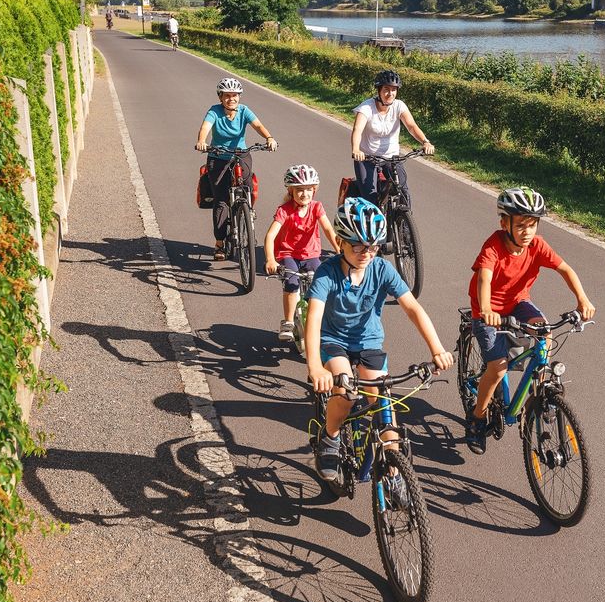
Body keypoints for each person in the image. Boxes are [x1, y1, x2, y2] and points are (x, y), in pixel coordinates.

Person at [306, 197, 453, 488]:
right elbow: (313, 319)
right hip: (334, 340)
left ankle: (395, 475)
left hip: (369, 342)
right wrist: (315, 367)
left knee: (385, 405)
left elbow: (412, 308)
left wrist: (436, 348)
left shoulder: (382, 269)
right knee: (346, 388)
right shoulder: (327, 272)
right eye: (358, 245)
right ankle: (331, 436)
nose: (366, 253)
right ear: (340, 241)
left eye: (373, 246)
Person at [464, 186, 595, 453]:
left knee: (545, 335)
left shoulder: (536, 245)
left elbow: (565, 269)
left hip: (518, 302)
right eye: (521, 225)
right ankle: (477, 418)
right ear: (505, 223)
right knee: (498, 366)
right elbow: (484, 278)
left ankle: (539, 393)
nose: (528, 232)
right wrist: (487, 309)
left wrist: (582, 299)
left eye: (532, 225)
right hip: (487, 311)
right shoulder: (493, 247)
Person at [194, 77, 276, 260]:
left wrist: (269, 138)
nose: (231, 99)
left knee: (247, 185)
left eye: (235, 95)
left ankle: (246, 210)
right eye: (227, 96)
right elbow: (205, 127)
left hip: (241, 153)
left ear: (239, 96)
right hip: (218, 156)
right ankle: (220, 243)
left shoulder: (244, 111)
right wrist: (202, 141)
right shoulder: (214, 111)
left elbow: (258, 125)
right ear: (221, 97)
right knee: (221, 200)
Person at [264, 164, 336, 341]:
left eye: (308, 189)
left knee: (320, 283)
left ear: (314, 190)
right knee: (292, 283)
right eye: (299, 190)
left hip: (311, 254)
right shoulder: (284, 211)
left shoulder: (316, 207)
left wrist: (339, 249)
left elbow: (328, 228)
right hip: (288, 254)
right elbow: (270, 235)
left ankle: (320, 319)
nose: (305, 194)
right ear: (291, 191)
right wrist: (270, 260)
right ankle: (288, 322)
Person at [348, 70, 434, 202]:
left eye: (394, 90)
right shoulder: (366, 108)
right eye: (386, 89)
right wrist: (356, 149)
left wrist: (425, 141)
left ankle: (404, 221)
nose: (390, 93)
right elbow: (357, 130)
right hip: (367, 158)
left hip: (391, 158)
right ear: (379, 90)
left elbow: (411, 126)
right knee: (370, 197)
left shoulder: (399, 106)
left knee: (403, 192)